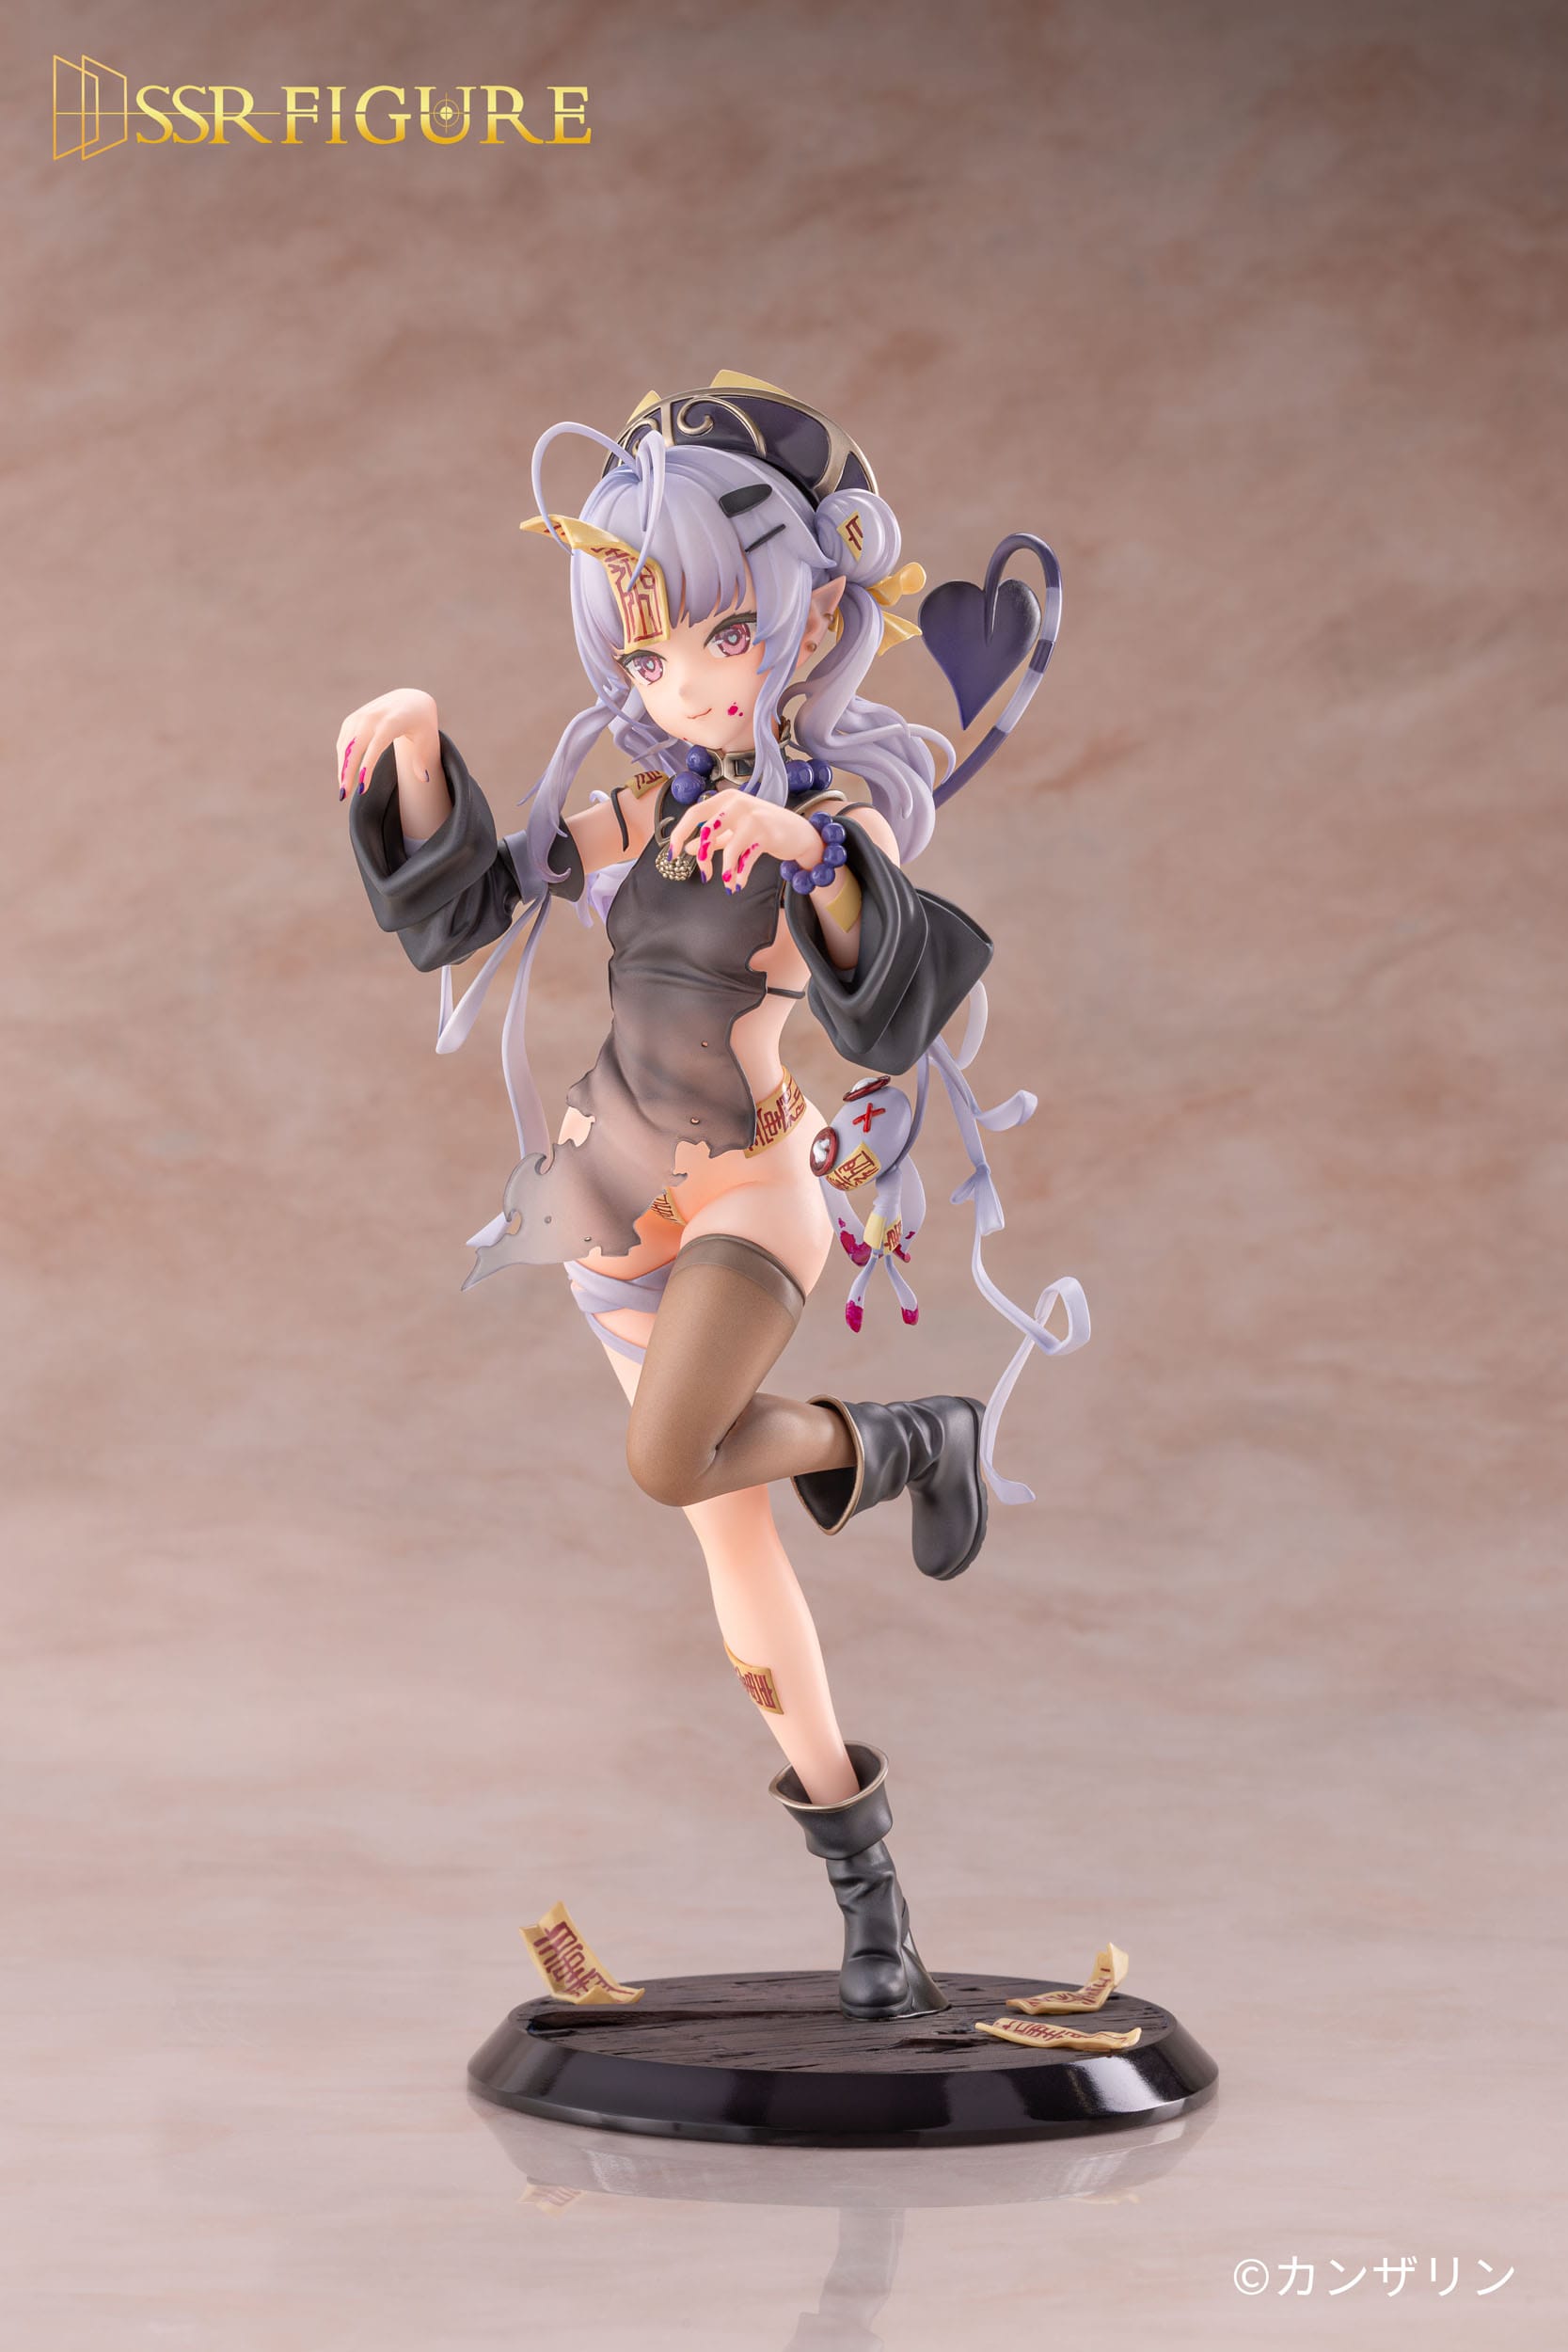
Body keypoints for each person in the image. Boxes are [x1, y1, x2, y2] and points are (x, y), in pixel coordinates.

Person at [337, 373, 1087, 2022]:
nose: (685, 680)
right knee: (735, 1562)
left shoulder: (833, 810)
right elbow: (468, 907)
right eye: (650, 650)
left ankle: (898, 1442)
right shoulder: (630, 813)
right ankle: (872, 1899)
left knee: (671, 1455)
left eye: (726, 634)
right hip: (605, 1201)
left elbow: (886, 965)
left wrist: (807, 853)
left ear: (811, 615)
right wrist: (413, 752)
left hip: (753, 1182)